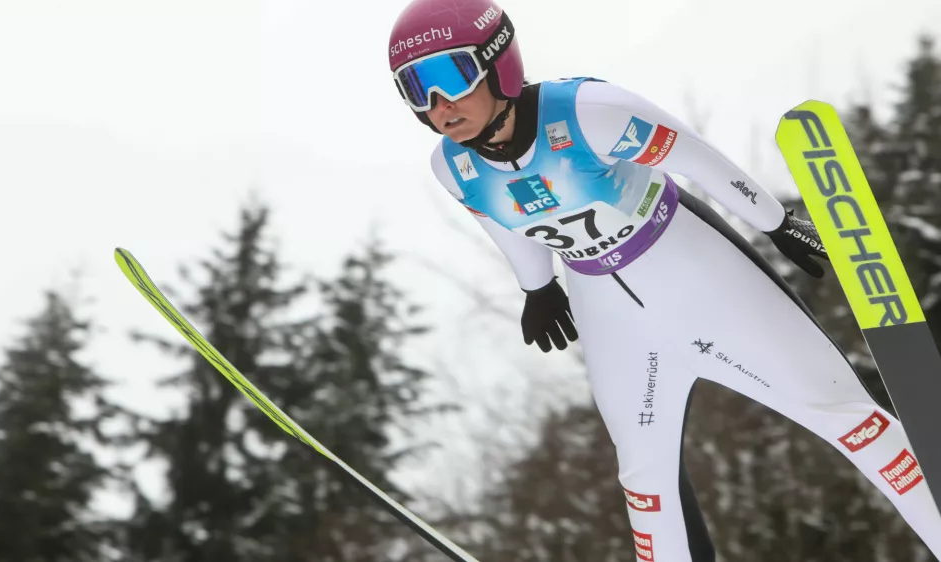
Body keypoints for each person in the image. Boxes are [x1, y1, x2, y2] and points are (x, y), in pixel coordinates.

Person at [387, 0, 941, 560]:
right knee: (646, 485)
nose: (437, 104)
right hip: (608, 311)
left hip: (693, 271)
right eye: (414, 87)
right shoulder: (452, 166)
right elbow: (501, 221)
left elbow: (696, 159)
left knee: (848, 418)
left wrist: (774, 222)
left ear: (497, 63)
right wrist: (536, 285)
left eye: (448, 77)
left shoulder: (587, 112)